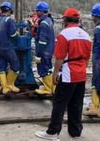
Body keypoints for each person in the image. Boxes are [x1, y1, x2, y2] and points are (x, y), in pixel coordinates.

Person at [35, 8, 92, 140]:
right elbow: (87, 59)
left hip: (68, 74)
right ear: (78, 20)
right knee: (76, 103)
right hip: (81, 74)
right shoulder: (86, 36)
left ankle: (53, 132)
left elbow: (59, 58)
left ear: (65, 20)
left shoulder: (64, 35)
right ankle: (75, 132)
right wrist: (82, 69)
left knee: (59, 102)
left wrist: (55, 73)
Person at [0, 1, 20, 94]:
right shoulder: (9, 20)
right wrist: (17, 33)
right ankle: (10, 84)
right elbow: (12, 35)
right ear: (9, 11)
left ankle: (5, 88)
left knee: (1, 67)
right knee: (15, 65)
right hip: (7, 48)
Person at [33, 1, 55, 96]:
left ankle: (47, 89)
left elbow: (42, 41)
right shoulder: (49, 21)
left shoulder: (43, 24)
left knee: (43, 69)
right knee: (49, 69)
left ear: (42, 11)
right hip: (49, 50)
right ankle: (51, 88)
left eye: (38, 11)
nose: (36, 13)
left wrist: (38, 54)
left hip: (44, 51)